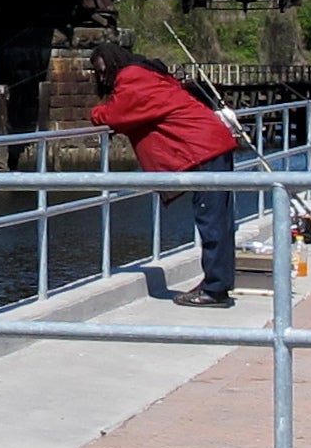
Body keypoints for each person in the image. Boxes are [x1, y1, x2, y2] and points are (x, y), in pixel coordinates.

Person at [87, 47, 245, 307]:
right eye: (97, 73)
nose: (102, 77)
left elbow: (117, 113)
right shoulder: (149, 75)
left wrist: (96, 114)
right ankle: (217, 284)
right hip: (210, 144)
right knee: (218, 219)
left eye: (102, 71)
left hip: (203, 150)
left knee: (212, 219)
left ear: (115, 64)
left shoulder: (134, 78)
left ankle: (215, 290)